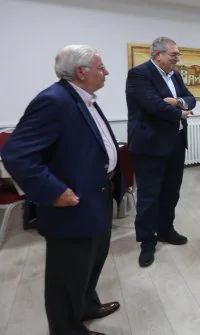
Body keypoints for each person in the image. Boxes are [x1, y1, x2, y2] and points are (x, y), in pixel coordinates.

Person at [1, 45, 124, 335]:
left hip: (97, 194)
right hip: (72, 202)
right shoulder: (54, 100)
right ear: (81, 72)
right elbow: (17, 154)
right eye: (100, 67)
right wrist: (54, 191)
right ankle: (67, 328)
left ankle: (87, 305)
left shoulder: (84, 98)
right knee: (67, 271)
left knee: (92, 258)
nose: (106, 72)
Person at [126, 36, 196, 267]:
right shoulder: (139, 74)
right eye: (174, 54)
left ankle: (166, 230)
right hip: (150, 145)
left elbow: (191, 99)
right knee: (149, 196)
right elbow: (152, 105)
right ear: (159, 55)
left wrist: (176, 103)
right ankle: (147, 241)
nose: (178, 58)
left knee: (171, 192)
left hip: (175, 142)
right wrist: (179, 110)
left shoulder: (174, 75)